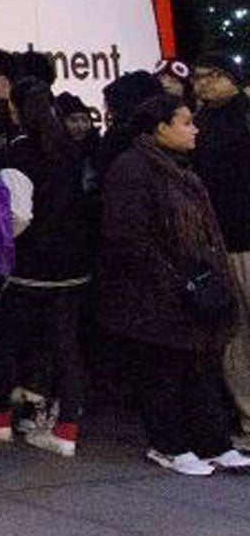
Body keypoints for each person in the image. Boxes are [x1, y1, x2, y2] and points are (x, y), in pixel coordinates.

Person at [95, 95, 250, 476]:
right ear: (160, 127)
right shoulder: (133, 169)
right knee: (163, 371)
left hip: (191, 286)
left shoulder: (179, 167)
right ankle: (168, 444)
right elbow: (128, 237)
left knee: (200, 368)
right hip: (156, 291)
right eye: (185, 122)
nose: (194, 129)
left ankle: (213, 443)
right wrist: (171, 276)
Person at [0, 78, 90, 456]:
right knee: (65, 346)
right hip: (72, 265)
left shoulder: (19, 154)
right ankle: (66, 429)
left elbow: (18, 214)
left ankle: (0, 420)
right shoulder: (71, 150)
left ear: (15, 110)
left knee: (5, 341)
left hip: (29, 265)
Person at [190, 51, 250, 447]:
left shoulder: (242, 117)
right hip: (223, 241)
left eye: (211, 76)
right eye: (198, 77)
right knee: (235, 333)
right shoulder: (200, 122)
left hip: (242, 238)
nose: (203, 83)